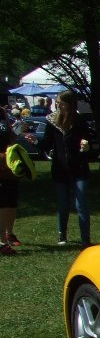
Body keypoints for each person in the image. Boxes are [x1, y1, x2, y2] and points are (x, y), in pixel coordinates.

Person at [39, 90, 92, 246]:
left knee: (81, 204)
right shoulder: (51, 121)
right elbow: (47, 144)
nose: (58, 105)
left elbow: (87, 139)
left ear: (69, 103)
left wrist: (85, 144)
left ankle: (85, 239)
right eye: (57, 102)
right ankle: (62, 234)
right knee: (63, 204)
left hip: (79, 167)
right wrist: (34, 142)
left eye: (61, 102)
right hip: (60, 168)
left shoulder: (79, 120)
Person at [0, 106, 23, 254]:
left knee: (9, 200)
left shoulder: (2, 113)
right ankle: (2, 242)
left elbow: (8, 135)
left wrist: (16, 132)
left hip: (7, 163)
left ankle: (7, 235)